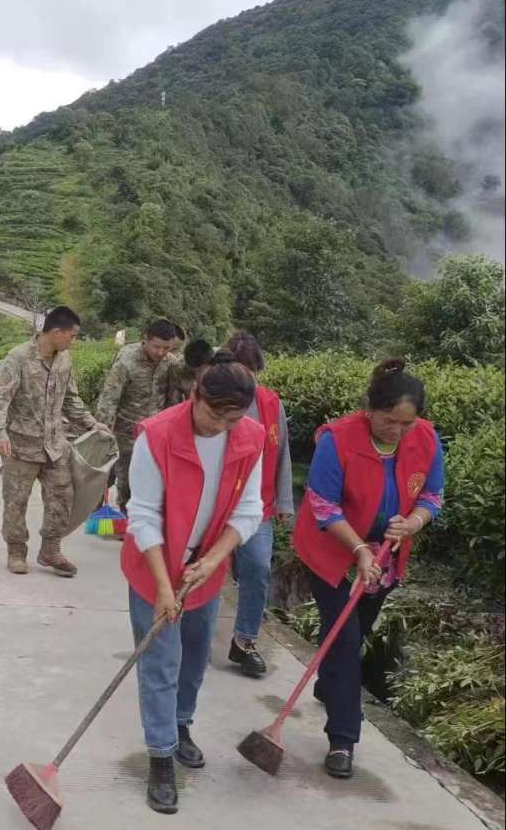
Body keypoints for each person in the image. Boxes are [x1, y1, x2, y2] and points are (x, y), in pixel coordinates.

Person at [121, 351, 265, 814]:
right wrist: (164, 586)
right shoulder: (158, 434)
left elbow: (249, 511)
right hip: (154, 566)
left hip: (206, 567)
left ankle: (181, 724)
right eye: (212, 414)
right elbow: (142, 514)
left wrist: (214, 558)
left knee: (196, 655)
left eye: (233, 419)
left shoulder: (250, 437)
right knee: (160, 661)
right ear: (194, 394)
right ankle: (161, 756)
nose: (220, 427)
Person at [293, 359, 444, 780]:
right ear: (369, 408)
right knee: (344, 637)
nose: (397, 431)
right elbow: (323, 504)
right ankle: (343, 739)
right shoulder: (337, 440)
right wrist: (359, 549)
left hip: (386, 560)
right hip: (336, 554)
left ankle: (329, 685)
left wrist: (413, 521)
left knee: (355, 631)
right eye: (389, 420)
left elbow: (433, 496)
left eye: (406, 424)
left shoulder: (426, 440)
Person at [0, 306, 107, 577]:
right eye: (72, 336)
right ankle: (16, 551)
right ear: (55, 332)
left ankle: (51, 549)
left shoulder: (64, 361)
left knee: (62, 497)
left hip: (55, 445)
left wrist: (90, 422)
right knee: (16, 501)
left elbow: (71, 399)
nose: (73, 342)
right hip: (20, 446)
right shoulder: (17, 358)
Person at [222, 331, 294, 677]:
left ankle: (245, 640)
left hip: (257, 506)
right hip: (214, 505)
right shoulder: (211, 400)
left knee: (258, 568)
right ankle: (188, 631)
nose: (245, 378)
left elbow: (280, 454)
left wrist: (284, 501)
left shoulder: (270, 403)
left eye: (250, 370)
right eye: (238, 369)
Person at [96, 318, 180, 512]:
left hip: (154, 433)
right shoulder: (127, 360)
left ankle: (135, 516)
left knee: (149, 478)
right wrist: (103, 430)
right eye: (156, 347)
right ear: (146, 340)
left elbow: (173, 400)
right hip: (126, 431)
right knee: (126, 477)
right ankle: (126, 517)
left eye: (166, 348)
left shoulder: (170, 363)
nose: (160, 352)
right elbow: (110, 398)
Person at [166, 338, 214, 406]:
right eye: (193, 371)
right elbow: (173, 403)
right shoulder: (179, 369)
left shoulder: (223, 368)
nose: (197, 376)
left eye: (201, 371)